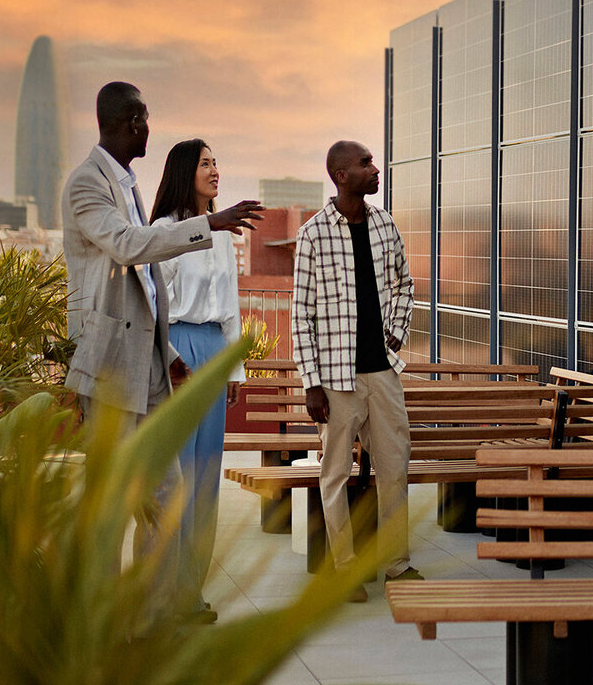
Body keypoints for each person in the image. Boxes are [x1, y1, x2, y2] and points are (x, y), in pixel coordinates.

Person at [61, 81, 262, 622]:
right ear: (129, 122)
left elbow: (149, 287)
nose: (150, 128)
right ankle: (100, 620)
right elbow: (128, 248)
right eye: (145, 119)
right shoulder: (88, 184)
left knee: (171, 493)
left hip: (151, 361)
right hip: (109, 366)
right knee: (110, 504)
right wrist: (209, 224)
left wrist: (164, 350)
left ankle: (155, 617)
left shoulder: (124, 183)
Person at [290, 139, 419, 601]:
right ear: (342, 176)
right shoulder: (312, 235)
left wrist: (397, 330)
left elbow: (405, 282)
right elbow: (300, 315)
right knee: (336, 475)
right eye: (366, 164)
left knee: (394, 470)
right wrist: (311, 385)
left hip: (383, 373)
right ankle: (344, 569)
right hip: (336, 380)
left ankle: (397, 565)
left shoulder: (385, 224)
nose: (374, 168)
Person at [149, 138, 245, 619]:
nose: (215, 170)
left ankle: (192, 591)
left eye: (217, 162)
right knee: (178, 477)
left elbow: (230, 307)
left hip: (212, 351)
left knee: (207, 476)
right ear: (185, 171)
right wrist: (169, 358)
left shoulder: (223, 235)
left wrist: (235, 366)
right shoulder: (165, 231)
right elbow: (153, 306)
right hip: (178, 355)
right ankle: (164, 594)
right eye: (206, 163)